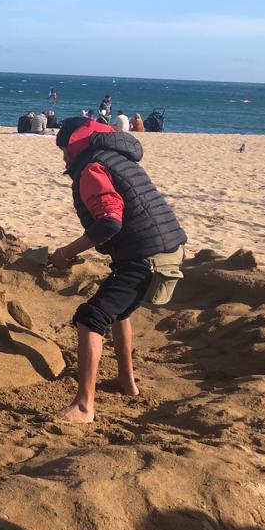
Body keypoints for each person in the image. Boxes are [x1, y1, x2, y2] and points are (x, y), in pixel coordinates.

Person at [49, 117, 187, 424]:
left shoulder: (91, 167)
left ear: (73, 145)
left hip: (147, 256)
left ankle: (84, 407)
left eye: (62, 149)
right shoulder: (117, 158)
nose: (62, 157)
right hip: (165, 249)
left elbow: (110, 222)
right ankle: (127, 382)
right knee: (118, 311)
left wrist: (65, 253)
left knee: (91, 316)